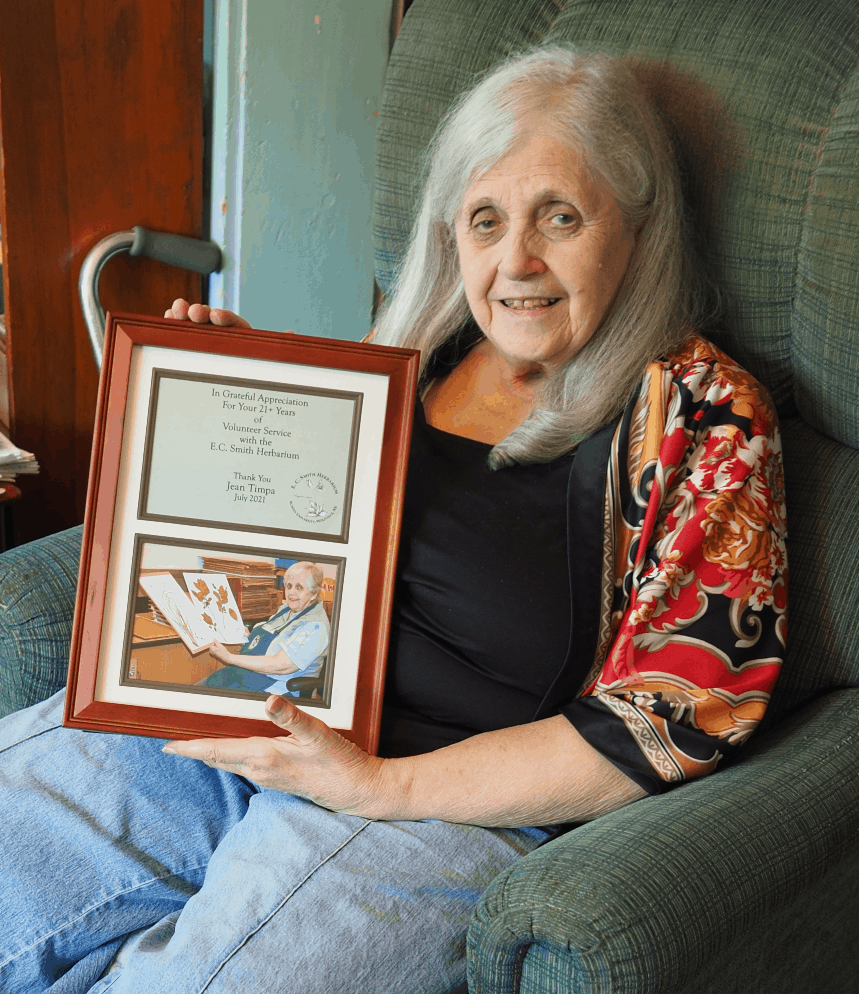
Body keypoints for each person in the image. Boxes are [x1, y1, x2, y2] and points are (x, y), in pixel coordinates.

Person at [0, 48, 787, 993]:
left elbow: (677, 715)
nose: (516, 263)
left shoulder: (705, 413)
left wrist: (376, 786)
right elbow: (290, 554)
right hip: (248, 715)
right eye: (485, 220)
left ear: (638, 226)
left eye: (562, 218)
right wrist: (248, 400)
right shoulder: (422, 343)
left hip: (433, 800)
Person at [202, 562, 330, 696]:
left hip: (278, 687)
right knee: (205, 687)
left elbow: (282, 665)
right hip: (256, 675)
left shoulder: (316, 626)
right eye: (289, 586)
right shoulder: (287, 609)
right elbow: (273, 640)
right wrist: (250, 638)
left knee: (210, 698)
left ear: (314, 593)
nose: (291, 592)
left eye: (299, 587)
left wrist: (230, 658)